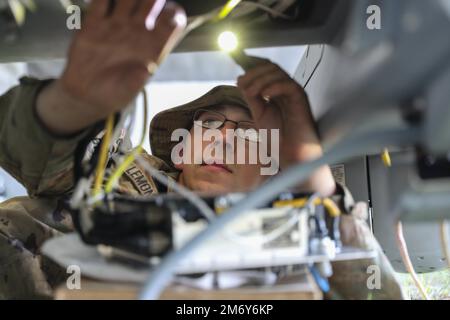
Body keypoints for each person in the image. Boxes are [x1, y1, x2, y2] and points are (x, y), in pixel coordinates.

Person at [0, 0, 403, 299]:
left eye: (246, 132)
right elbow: (48, 161)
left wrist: (310, 175)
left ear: (270, 162)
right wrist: (74, 102)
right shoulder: (122, 177)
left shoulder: (298, 233)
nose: (222, 138)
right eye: (209, 124)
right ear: (182, 148)